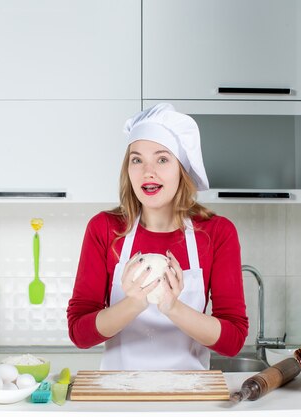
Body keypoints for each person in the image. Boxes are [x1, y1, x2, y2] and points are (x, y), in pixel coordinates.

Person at [67, 103, 248, 370]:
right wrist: (134, 303)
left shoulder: (216, 233)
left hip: (190, 397)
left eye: (162, 159)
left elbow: (232, 341)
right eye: (137, 159)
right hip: (119, 397)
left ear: (181, 170)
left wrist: (172, 307)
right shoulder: (104, 229)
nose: (147, 171)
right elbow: (79, 333)